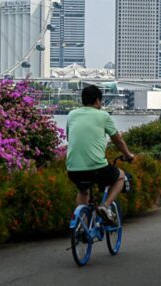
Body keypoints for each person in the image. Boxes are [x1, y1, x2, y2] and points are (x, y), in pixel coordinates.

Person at [66, 85, 135, 223]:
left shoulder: (71, 115)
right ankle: (105, 206)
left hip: (72, 169)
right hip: (97, 168)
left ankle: (81, 226)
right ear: (98, 101)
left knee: (83, 191)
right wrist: (128, 155)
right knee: (120, 177)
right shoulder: (103, 116)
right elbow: (118, 140)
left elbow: (70, 138)